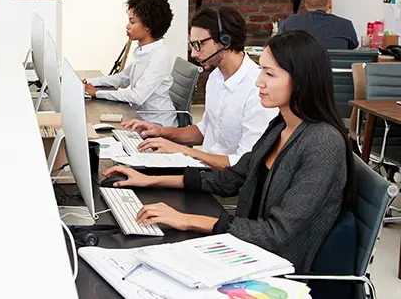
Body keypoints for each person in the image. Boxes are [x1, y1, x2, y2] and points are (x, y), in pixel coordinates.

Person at [101, 30, 356, 274]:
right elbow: (231, 179)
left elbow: (276, 234)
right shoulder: (281, 124)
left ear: (301, 80)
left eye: (269, 74)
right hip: (248, 249)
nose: (259, 82)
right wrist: (151, 180)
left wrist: (188, 220)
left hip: (278, 267)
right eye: (260, 71)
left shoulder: (323, 143)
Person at [123, 6, 276, 170]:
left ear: (225, 40)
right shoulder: (216, 77)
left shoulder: (258, 90)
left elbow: (245, 164)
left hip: (228, 186)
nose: (194, 54)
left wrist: (184, 152)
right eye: (192, 45)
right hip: (204, 169)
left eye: (198, 45)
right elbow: (204, 130)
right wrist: (159, 131)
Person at [84, 0, 177, 127]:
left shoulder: (159, 55)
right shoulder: (143, 49)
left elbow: (136, 97)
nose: (127, 26)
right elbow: (122, 79)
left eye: (132, 22)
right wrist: (88, 82)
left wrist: (97, 93)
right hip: (139, 117)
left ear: (147, 26)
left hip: (158, 125)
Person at [279, 0, 358, 49]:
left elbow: (279, 48)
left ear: (306, 5)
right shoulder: (345, 25)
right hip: (333, 68)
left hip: (300, 68)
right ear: (330, 3)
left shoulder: (291, 22)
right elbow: (353, 46)